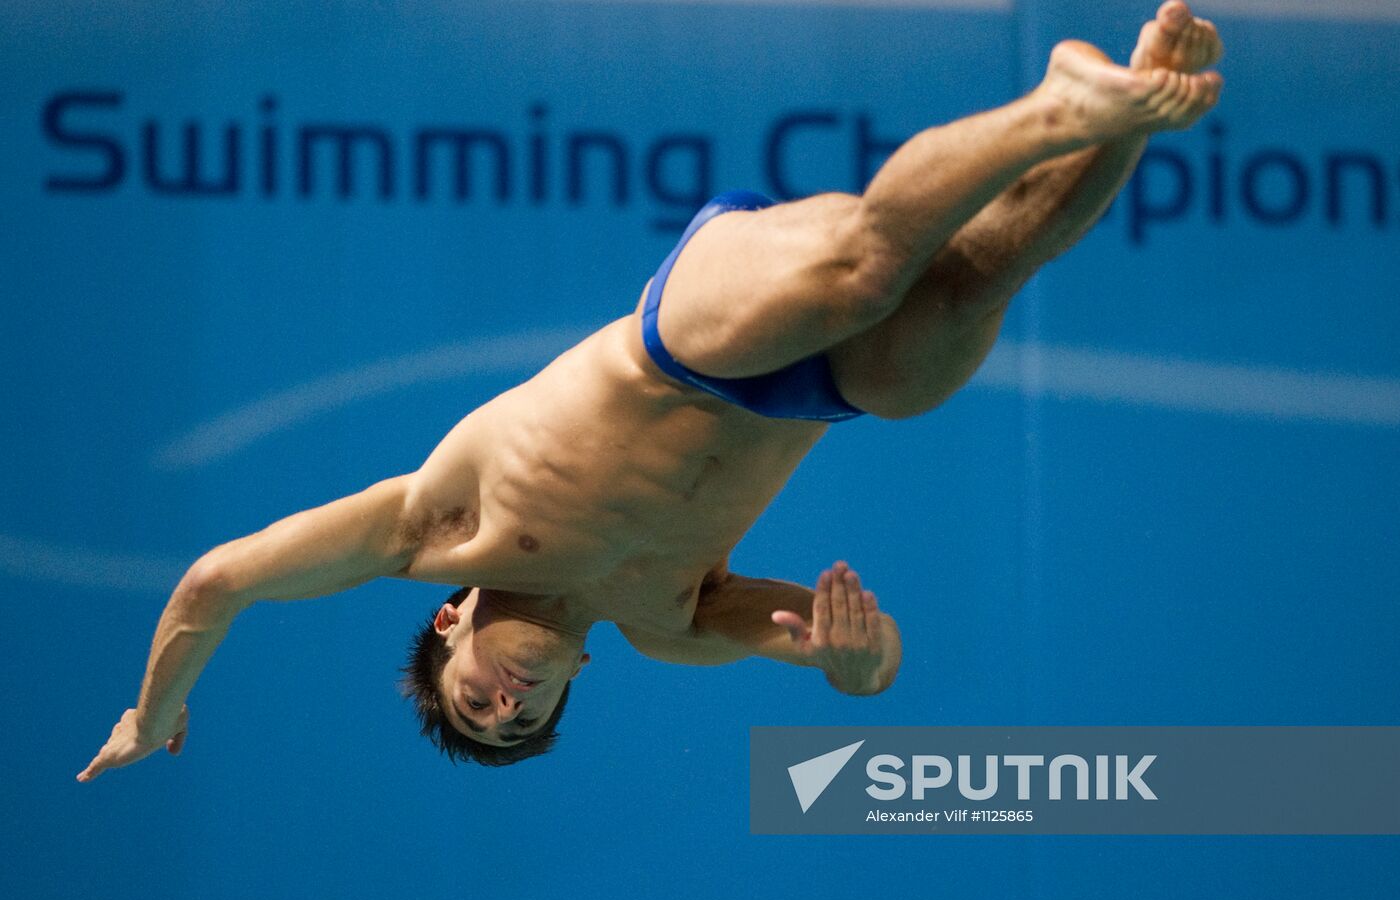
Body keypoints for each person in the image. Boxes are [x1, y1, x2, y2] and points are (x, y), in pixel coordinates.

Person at [78, 3, 1223, 776]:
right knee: (983, 276)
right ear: (573, 682)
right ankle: (1136, 98)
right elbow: (855, 664)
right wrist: (858, 667)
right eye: (524, 717)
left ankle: (1056, 106)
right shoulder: (667, 622)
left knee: (868, 266)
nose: (505, 703)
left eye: (474, 699)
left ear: (449, 627)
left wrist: (157, 710)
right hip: (812, 397)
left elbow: (216, 579)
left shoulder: (432, 532)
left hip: (683, 340)